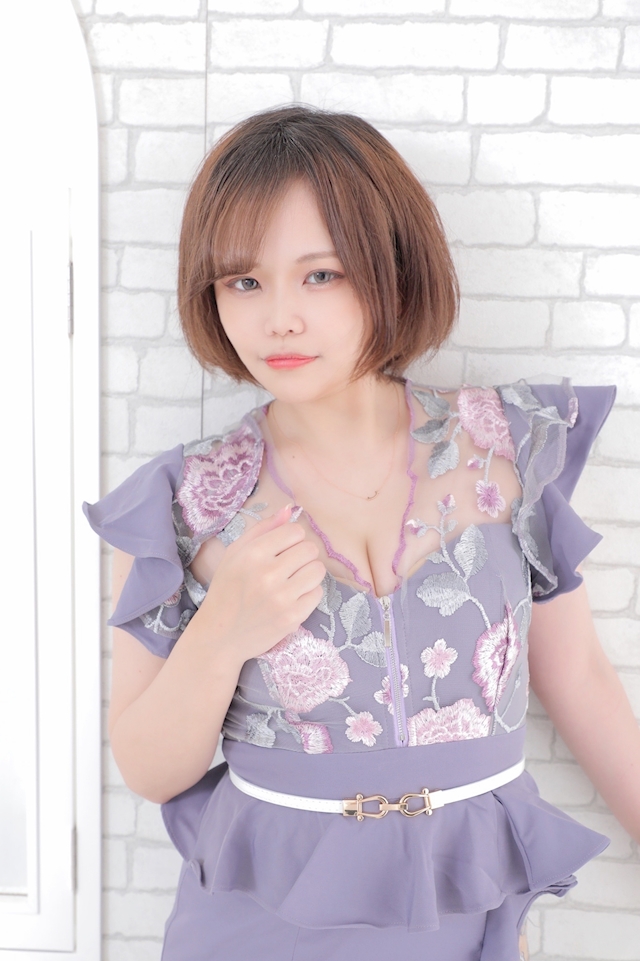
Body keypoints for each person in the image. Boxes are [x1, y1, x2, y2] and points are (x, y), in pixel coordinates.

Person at [84, 105, 639, 961]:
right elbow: (150, 768)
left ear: (393, 268)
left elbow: (580, 679)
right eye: (243, 282)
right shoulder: (184, 500)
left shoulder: (507, 450)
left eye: (321, 274)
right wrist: (222, 631)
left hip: (465, 927)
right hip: (254, 935)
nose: (279, 318)